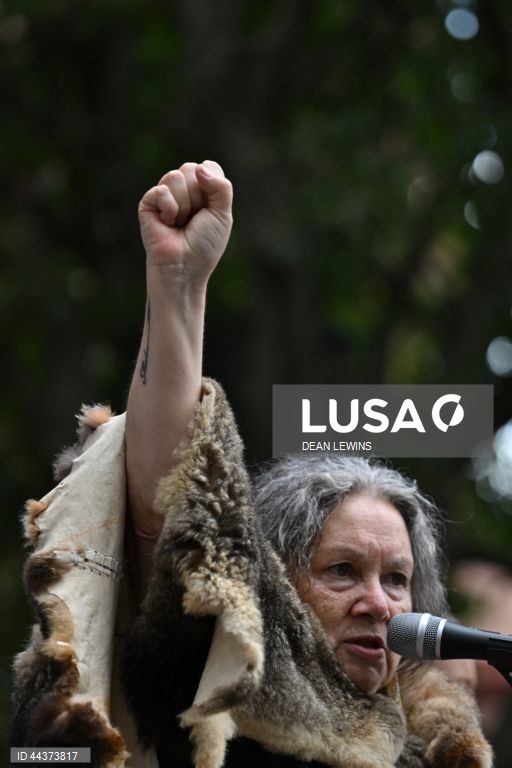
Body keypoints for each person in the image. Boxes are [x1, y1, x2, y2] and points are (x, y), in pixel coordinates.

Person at [11, 162, 491, 768]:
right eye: (342, 571)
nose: (381, 603)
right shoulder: (224, 691)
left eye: (397, 579)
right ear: (272, 587)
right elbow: (179, 513)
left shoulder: (422, 751)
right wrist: (178, 285)